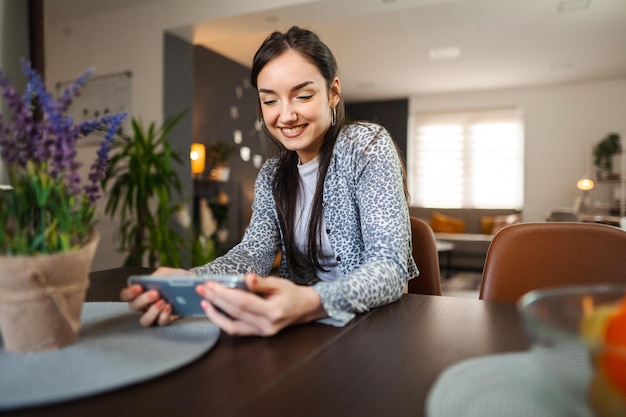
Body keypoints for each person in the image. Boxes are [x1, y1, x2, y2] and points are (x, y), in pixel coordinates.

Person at [121, 26, 418, 336]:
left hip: (373, 329)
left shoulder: (366, 146)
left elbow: (389, 267)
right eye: (270, 101)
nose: (286, 115)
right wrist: (192, 281)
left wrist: (310, 300)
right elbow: (253, 253)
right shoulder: (273, 175)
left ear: (332, 92)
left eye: (302, 96)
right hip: (301, 328)